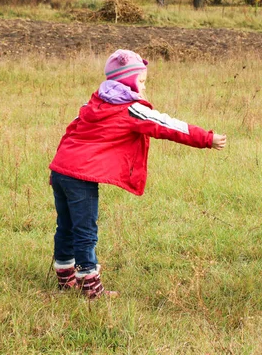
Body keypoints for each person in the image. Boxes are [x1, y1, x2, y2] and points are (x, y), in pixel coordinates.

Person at [49, 49, 226, 299]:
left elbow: (70, 132)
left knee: (65, 226)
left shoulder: (94, 103)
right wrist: (207, 138)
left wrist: (57, 170)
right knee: (85, 231)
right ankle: (90, 286)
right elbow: (167, 125)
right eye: (141, 81)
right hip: (80, 176)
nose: (144, 87)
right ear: (128, 82)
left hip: (61, 170)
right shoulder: (130, 109)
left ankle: (65, 278)